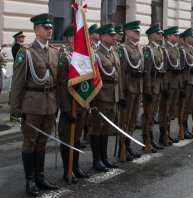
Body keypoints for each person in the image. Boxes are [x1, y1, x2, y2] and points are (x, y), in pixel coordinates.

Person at [10, 13, 59, 197]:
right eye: (46, 28)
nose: (49, 30)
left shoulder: (54, 52)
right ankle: (30, 179)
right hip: (32, 105)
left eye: (51, 27)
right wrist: (16, 110)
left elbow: (58, 82)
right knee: (30, 142)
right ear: (36, 30)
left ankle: (40, 176)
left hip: (50, 104)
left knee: (43, 141)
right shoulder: (26, 53)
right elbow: (17, 83)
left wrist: (59, 104)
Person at [57, 24, 91, 183]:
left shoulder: (83, 57)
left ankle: (76, 167)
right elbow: (63, 85)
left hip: (81, 103)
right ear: (71, 39)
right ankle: (67, 170)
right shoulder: (65, 57)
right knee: (67, 138)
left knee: (76, 139)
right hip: (69, 105)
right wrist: (65, 109)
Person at [92, 23, 122, 171]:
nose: (114, 37)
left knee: (107, 129)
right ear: (103, 37)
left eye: (114, 34)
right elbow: (94, 78)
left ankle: (104, 157)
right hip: (102, 96)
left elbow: (119, 76)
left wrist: (120, 95)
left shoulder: (114, 53)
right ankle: (96, 160)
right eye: (111, 35)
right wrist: (93, 100)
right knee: (97, 128)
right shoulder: (96, 54)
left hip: (114, 95)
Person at [118, 20, 144, 162]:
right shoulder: (123, 49)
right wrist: (121, 94)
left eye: (139, 31)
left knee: (133, 120)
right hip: (128, 89)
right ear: (127, 33)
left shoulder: (140, 48)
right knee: (125, 120)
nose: (138, 33)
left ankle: (128, 146)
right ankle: (122, 147)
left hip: (137, 89)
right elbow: (121, 73)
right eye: (135, 31)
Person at [142, 23, 165, 153]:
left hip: (158, 86)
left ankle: (150, 138)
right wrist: (147, 90)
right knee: (148, 114)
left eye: (161, 33)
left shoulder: (159, 49)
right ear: (151, 36)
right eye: (158, 33)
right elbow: (147, 71)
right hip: (151, 87)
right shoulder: (148, 50)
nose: (161, 35)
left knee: (153, 114)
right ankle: (146, 139)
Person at [158, 26, 181, 146]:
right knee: (164, 110)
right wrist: (165, 86)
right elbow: (164, 69)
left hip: (176, 83)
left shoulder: (176, 49)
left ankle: (168, 132)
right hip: (168, 84)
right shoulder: (164, 49)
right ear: (168, 37)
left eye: (177, 35)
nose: (177, 36)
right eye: (174, 35)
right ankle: (163, 134)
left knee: (171, 110)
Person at [179, 28, 193, 139]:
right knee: (184, 106)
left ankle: (185, 127)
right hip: (186, 82)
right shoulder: (183, 50)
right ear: (186, 38)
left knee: (189, 106)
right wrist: (181, 85)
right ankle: (182, 127)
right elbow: (181, 68)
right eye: (192, 36)